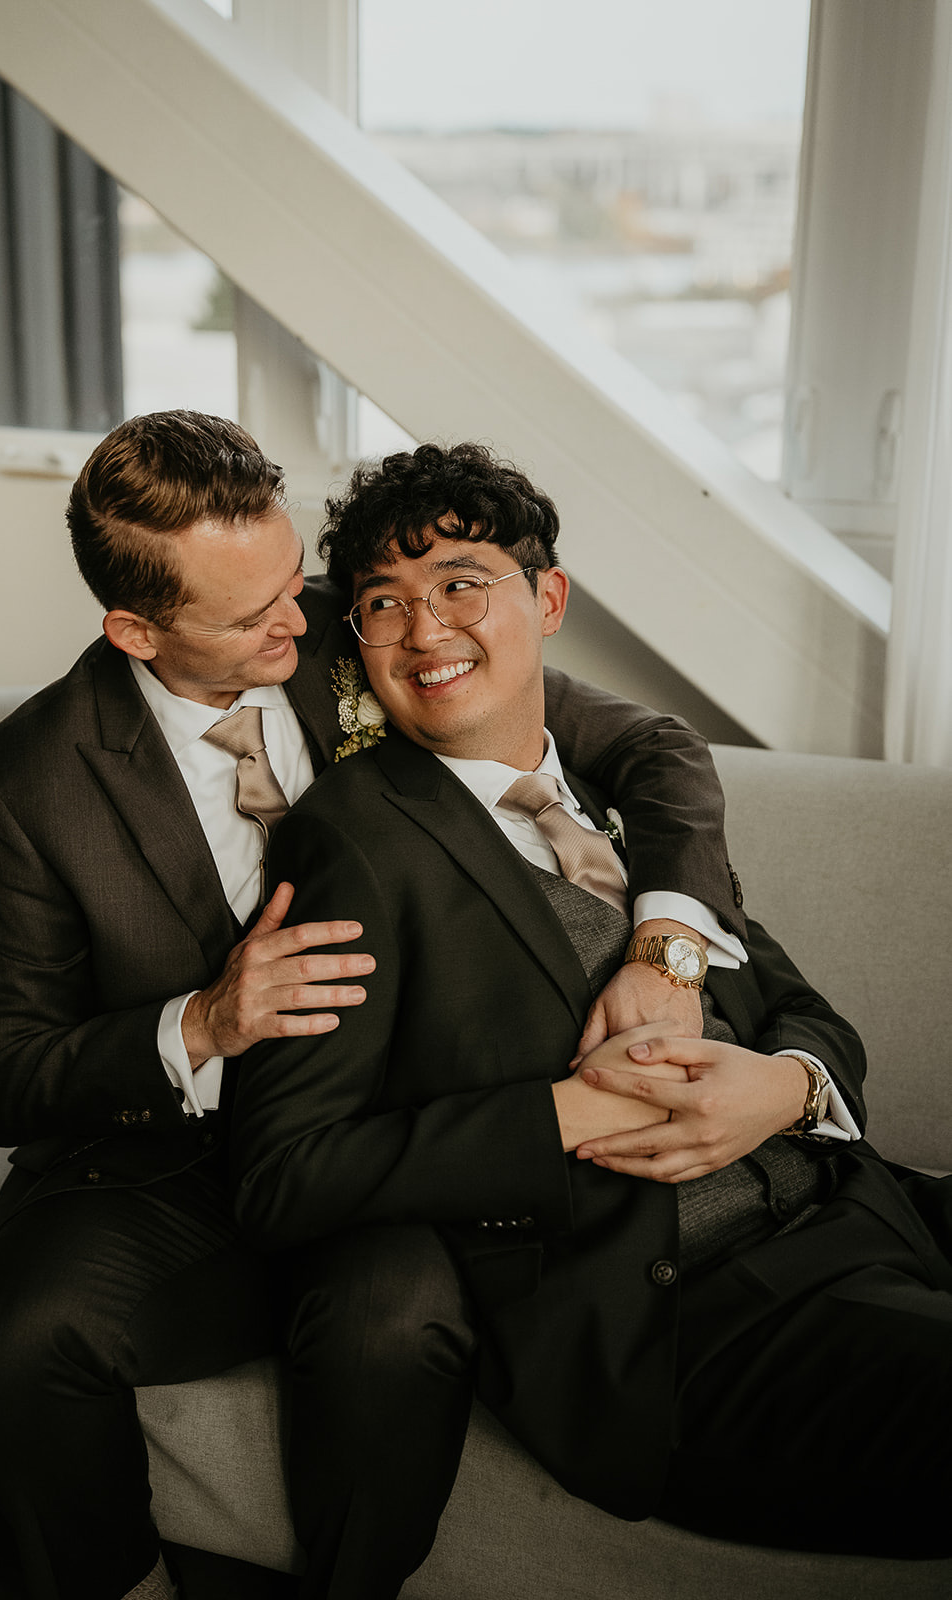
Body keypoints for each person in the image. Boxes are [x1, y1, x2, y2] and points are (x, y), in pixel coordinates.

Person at [0, 412, 747, 1600]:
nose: (301, 620)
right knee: (1, 1348)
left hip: (385, 1131)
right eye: (252, 611)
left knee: (388, 1328)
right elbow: (2, 1072)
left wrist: (666, 950)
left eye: (291, 579)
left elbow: (656, 749)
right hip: (171, 1166)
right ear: (133, 628)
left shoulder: (368, 630)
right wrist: (200, 1024)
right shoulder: (26, 781)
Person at [232, 440, 952, 1573]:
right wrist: (564, 1115)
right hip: (690, 1322)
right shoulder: (355, 843)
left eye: (461, 583)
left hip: (870, 1214)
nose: (424, 631)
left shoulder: (625, 802)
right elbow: (284, 1171)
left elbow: (800, 1006)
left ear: (547, 598)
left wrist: (787, 1085)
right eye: (383, 603)